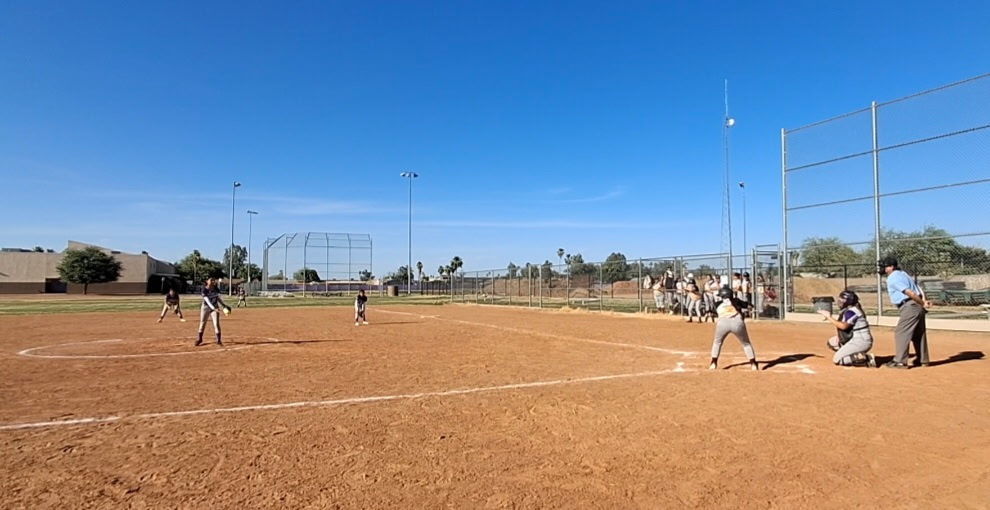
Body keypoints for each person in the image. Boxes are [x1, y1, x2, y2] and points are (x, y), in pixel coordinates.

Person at [879, 256, 930, 369]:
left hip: (910, 305)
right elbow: (919, 289)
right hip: (916, 305)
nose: (882, 268)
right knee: (918, 334)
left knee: (901, 332)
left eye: (885, 266)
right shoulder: (903, 273)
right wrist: (924, 301)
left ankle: (900, 361)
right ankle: (923, 360)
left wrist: (922, 303)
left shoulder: (893, 277)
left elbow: (910, 292)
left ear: (891, 267)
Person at [818, 290, 877, 367]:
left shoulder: (852, 311)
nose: (840, 302)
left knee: (837, 360)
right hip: (856, 338)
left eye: (842, 300)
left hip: (861, 341)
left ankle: (866, 358)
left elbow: (843, 326)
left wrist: (829, 317)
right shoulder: (850, 310)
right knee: (832, 343)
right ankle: (851, 353)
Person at [709, 286, 758, 371]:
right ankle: (753, 364)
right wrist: (745, 309)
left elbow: (714, 312)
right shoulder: (736, 301)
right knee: (746, 344)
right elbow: (749, 305)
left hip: (722, 323)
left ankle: (713, 362)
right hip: (738, 323)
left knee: (717, 342)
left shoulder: (717, 304)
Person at [197, 277, 230, 346]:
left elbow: (217, 298)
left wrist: (223, 305)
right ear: (207, 281)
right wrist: (213, 308)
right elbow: (207, 300)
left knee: (216, 323)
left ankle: (218, 340)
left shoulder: (216, 288)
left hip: (215, 307)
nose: (212, 281)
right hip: (206, 307)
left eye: (213, 280)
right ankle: (200, 339)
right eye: (211, 280)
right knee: (203, 323)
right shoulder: (204, 289)